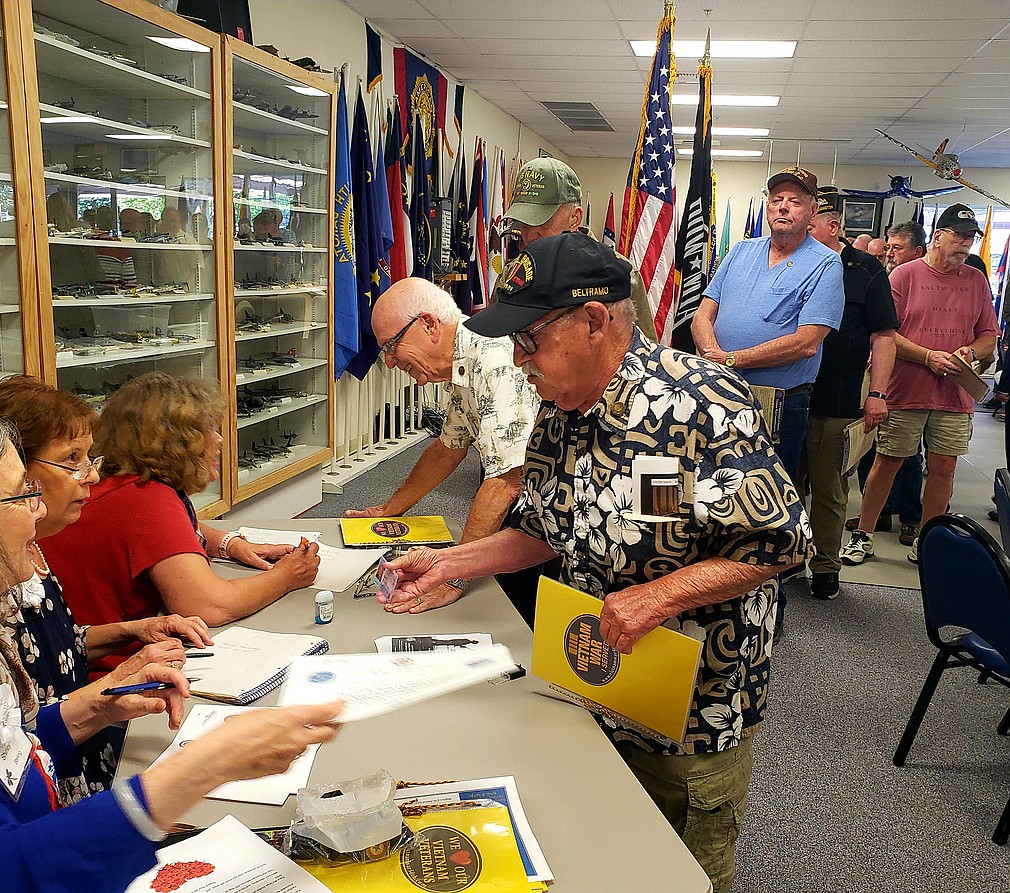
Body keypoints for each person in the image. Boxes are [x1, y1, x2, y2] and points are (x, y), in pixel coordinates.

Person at [382, 232, 810, 893]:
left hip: (693, 711)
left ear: (593, 321)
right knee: (596, 856)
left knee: (682, 873)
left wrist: (660, 595)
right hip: (594, 687)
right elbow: (546, 528)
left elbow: (779, 539)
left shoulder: (700, 403)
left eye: (531, 341)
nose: (519, 360)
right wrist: (451, 563)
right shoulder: (561, 411)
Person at [0, 400, 341, 890]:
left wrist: (98, 706)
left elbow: (8, 759)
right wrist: (206, 766)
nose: (38, 510)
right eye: (20, 496)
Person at [0, 375, 215, 801]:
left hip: (79, 743)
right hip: (58, 776)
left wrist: (134, 630)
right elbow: (7, 743)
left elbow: (54, 646)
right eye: (73, 459)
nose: (91, 475)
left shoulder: (32, 549)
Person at [41, 373, 320, 674]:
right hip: (109, 679)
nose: (218, 439)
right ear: (174, 442)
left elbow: (177, 526)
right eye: (208, 431)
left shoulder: (122, 486)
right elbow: (211, 605)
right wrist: (287, 576)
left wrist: (231, 544)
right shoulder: (147, 500)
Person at [346, 277, 540, 618]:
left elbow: (507, 480)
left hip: (560, 513)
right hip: (531, 503)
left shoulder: (494, 359)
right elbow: (448, 448)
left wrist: (454, 577)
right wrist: (389, 509)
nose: (389, 362)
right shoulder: (465, 355)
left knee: (520, 615)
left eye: (391, 345)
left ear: (429, 324)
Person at [841, 203, 999, 565]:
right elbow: (885, 333)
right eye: (959, 236)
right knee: (888, 460)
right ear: (938, 236)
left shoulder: (976, 280)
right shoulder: (904, 276)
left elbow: (989, 334)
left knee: (944, 467)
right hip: (906, 388)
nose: (965, 243)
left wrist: (971, 353)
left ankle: (928, 541)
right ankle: (863, 534)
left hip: (955, 393)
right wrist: (928, 356)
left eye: (971, 238)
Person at [692, 166, 845, 483]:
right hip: (720, 388)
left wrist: (731, 359)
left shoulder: (826, 264)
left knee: (769, 487)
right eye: (776, 199)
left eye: (795, 201)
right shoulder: (741, 251)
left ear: (813, 210)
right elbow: (703, 314)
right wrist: (712, 355)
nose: (783, 207)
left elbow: (806, 343)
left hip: (778, 401)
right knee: (712, 478)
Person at [799, 197, 897, 600]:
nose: (801, 233)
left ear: (833, 225)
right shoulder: (791, 262)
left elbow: (884, 336)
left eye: (810, 225)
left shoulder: (866, 270)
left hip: (836, 398)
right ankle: (785, 560)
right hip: (785, 395)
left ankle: (825, 564)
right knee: (783, 483)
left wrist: (877, 393)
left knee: (829, 488)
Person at [503, 156, 657, 341]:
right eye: (524, 224)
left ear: (575, 218)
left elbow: (643, 353)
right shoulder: (514, 273)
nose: (528, 236)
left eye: (541, 223)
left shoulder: (619, 275)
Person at [848, 220, 929, 544]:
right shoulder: (879, 278)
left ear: (917, 250)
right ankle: (879, 512)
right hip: (877, 373)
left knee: (907, 456)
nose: (890, 254)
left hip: (912, 379)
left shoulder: (923, 284)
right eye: (888, 248)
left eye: (896, 249)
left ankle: (910, 515)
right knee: (872, 449)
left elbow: (890, 333)